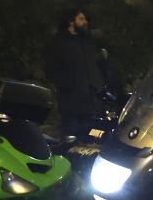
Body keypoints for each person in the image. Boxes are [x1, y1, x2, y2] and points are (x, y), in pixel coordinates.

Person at [44, 7, 109, 137]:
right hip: (72, 105)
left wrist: (100, 86)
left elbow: (96, 66)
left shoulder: (88, 42)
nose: (85, 22)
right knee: (71, 140)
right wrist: (68, 86)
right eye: (81, 19)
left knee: (91, 142)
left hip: (92, 104)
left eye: (85, 19)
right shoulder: (59, 43)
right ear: (71, 21)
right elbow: (51, 70)